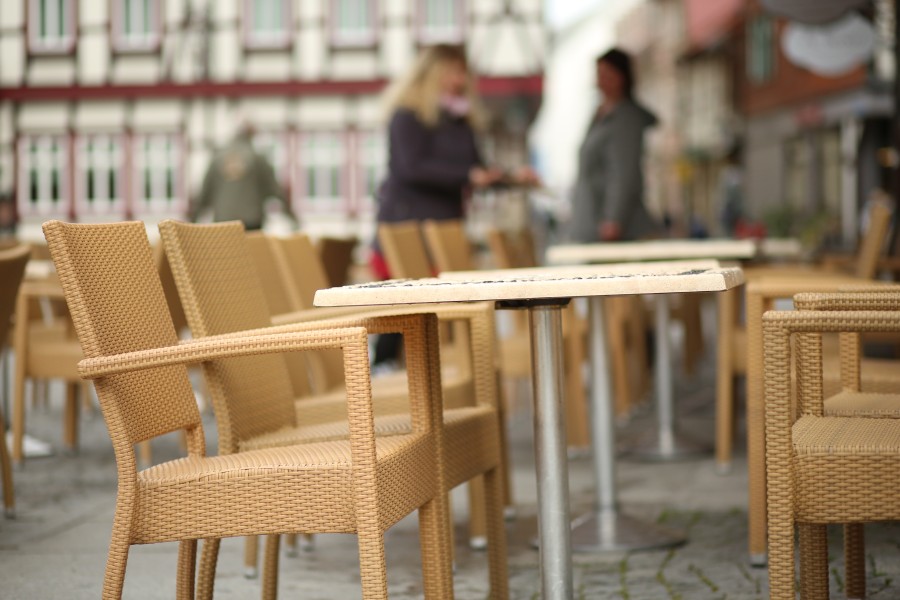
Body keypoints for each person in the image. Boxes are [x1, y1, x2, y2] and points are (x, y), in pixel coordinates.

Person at [371, 43, 537, 364]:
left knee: (439, 319)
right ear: (433, 73)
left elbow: (478, 171)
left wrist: (512, 177)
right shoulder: (407, 115)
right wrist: (470, 174)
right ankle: (386, 371)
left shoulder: (460, 119)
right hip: (408, 226)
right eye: (453, 71)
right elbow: (411, 167)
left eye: (463, 72)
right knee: (402, 316)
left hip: (445, 226)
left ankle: (437, 377)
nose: (460, 79)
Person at [569, 48, 659, 243]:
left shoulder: (624, 118)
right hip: (593, 219)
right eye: (599, 74)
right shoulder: (601, 114)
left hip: (612, 228)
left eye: (606, 74)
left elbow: (624, 171)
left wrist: (614, 218)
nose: (600, 80)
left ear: (622, 77)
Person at [191, 121, 296, 231]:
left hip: (223, 221)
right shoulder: (258, 159)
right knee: (249, 248)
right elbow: (275, 190)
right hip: (250, 221)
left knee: (225, 248)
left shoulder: (217, 158)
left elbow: (204, 194)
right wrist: (291, 217)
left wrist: (192, 221)